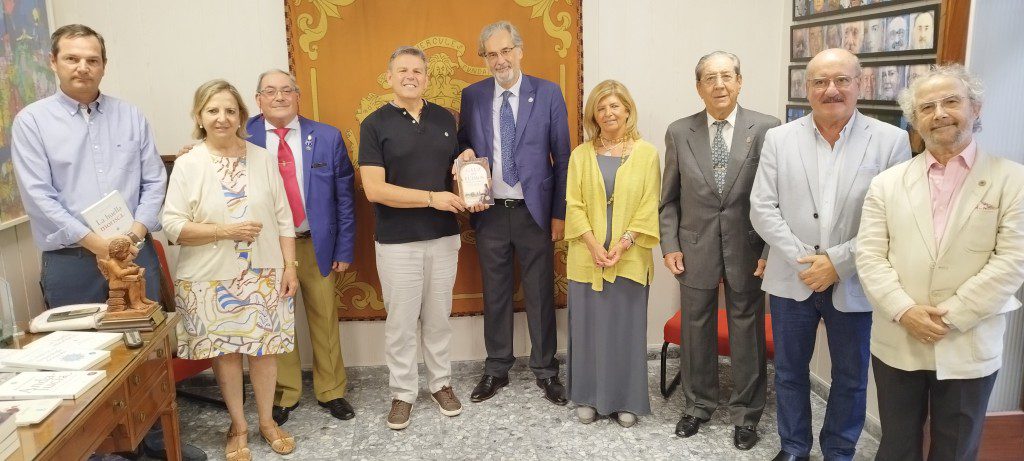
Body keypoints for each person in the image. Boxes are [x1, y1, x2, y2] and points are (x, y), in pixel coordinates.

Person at [9, 24, 206, 461]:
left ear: (104, 65)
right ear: (53, 62)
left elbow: (154, 179)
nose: (83, 67)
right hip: (71, 260)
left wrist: (135, 233)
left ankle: (155, 440)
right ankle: (99, 449)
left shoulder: (130, 115)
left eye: (92, 59)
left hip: (135, 253)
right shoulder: (32, 122)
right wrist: (97, 243)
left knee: (146, 350)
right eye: (73, 58)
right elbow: (39, 197)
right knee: (82, 355)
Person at [750, 48, 911, 461]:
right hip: (793, 277)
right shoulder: (779, 138)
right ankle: (794, 447)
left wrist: (838, 263)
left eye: (841, 80)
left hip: (856, 281)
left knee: (851, 378)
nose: (831, 89)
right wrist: (807, 260)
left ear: (861, 84)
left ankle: (839, 450)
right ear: (808, 89)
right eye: (820, 81)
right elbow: (762, 208)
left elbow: (895, 218)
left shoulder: (891, 141)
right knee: (788, 373)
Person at [857, 64, 1024, 461]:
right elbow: (869, 255)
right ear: (915, 121)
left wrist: (950, 315)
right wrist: (905, 310)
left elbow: (1013, 261)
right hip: (899, 338)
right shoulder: (887, 183)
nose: (940, 113)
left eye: (951, 101)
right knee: (897, 446)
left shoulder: (1012, 180)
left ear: (975, 108)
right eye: (927, 107)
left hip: (968, 339)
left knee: (956, 448)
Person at [163, 79, 299, 459]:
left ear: (242, 115)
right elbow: (172, 225)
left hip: (264, 272)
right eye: (213, 110)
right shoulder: (189, 163)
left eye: (229, 110)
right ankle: (238, 425)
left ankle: (268, 421)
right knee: (225, 353)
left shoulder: (262, 157)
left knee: (265, 350)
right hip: (208, 277)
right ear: (199, 116)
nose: (222, 118)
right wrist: (222, 231)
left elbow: (284, 218)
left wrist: (291, 266)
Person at [660, 51, 780, 451]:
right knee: (697, 330)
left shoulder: (766, 128)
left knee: (747, 332)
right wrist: (670, 244)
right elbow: (670, 199)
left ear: (740, 81)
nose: (719, 85)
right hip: (694, 248)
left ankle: (746, 415)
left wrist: (769, 249)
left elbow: (774, 197)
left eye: (726, 76)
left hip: (748, 249)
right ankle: (697, 406)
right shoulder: (680, 132)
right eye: (709, 78)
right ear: (698, 87)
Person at [456, 20, 572, 406]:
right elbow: (463, 147)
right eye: (492, 54)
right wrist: (466, 156)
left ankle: (545, 370)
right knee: (496, 293)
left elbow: (564, 157)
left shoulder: (549, 93)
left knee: (540, 292)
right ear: (484, 59)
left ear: (520, 51)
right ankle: (496, 368)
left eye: (507, 50)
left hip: (534, 212)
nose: (500, 59)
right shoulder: (471, 96)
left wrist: (559, 214)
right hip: (490, 213)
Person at [359, 46, 468, 430]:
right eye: (402, 70)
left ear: (426, 77)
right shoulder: (374, 124)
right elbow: (374, 189)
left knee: (439, 319)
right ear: (389, 77)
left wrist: (468, 172)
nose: (411, 76)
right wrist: (430, 199)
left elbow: (455, 170)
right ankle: (403, 393)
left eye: (418, 71)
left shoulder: (445, 118)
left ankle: (440, 384)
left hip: (443, 237)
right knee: (402, 323)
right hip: (397, 241)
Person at [244, 69, 357, 425]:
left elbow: (345, 198)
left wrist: (344, 249)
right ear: (258, 98)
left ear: (298, 96)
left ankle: (332, 391)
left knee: (325, 319)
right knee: (278, 322)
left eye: (286, 90)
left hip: (315, 245)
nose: (279, 97)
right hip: (266, 247)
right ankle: (283, 393)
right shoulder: (240, 135)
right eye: (270, 91)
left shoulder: (326, 137)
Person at [564, 80, 660, 428]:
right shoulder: (580, 155)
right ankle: (588, 396)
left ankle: (626, 400)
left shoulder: (647, 153)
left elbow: (651, 204)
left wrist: (623, 244)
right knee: (588, 328)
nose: (608, 113)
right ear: (594, 115)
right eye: (601, 108)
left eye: (615, 106)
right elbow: (573, 205)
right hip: (586, 258)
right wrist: (593, 244)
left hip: (630, 258)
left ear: (627, 110)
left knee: (625, 330)